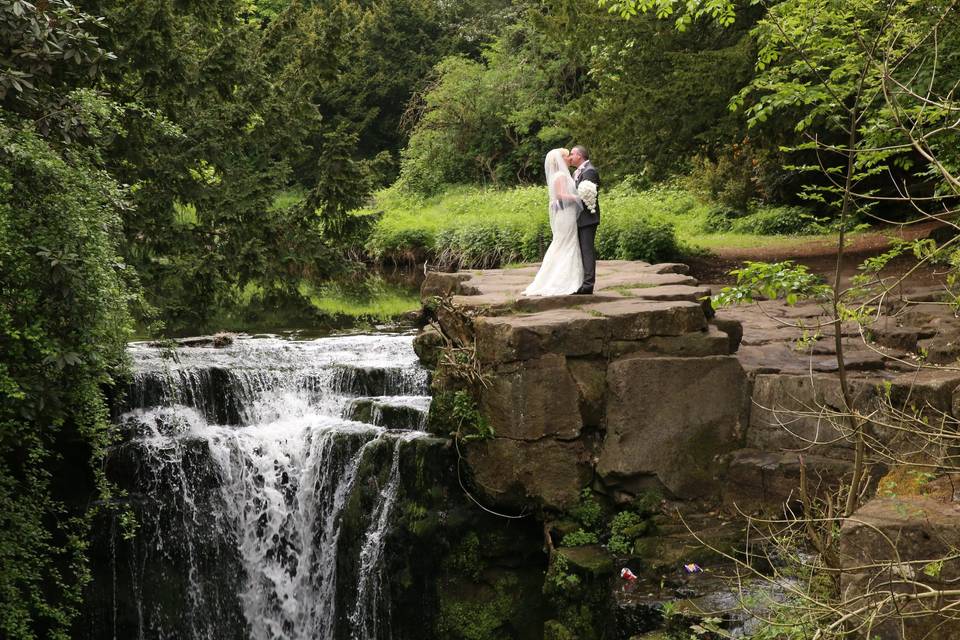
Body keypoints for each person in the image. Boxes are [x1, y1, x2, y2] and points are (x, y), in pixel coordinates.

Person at [523, 148, 584, 297]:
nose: (569, 158)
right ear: (561, 159)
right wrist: (578, 197)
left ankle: (559, 276)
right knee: (566, 243)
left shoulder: (559, 175)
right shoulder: (561, 175)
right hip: (566, 215)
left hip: (564, 214)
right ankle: (563, 279)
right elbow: (560, 196)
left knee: (563, 243)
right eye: (566, 156)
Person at [568, 145, 600, 294]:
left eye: (572, 154)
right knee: (581, 250)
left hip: (587, 218)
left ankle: (588, 284)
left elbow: (588, 196)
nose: (570, 157)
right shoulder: (577, 172)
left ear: (579, 155)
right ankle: (580, 281)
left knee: (587, 250)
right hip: (578, 218)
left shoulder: (590, 171)